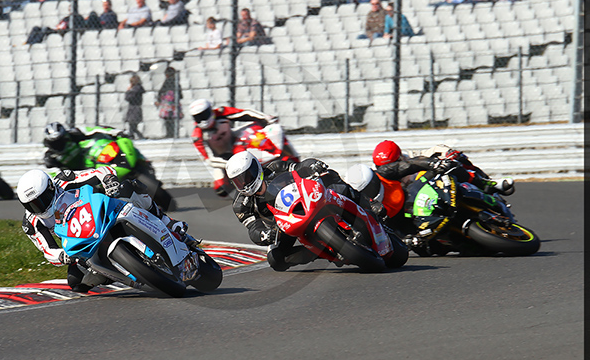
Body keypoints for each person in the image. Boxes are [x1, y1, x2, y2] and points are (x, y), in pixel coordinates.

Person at [17, 167, 189, 293]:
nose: (38, 207)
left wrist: (109, 181)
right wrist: (62, 256)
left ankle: (168, 222)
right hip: (82, 244)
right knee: (76, 282)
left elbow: (100, 171)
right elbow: (47, 250)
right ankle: (113, 274)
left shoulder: (64, 180)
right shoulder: (31, 223)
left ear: (51, 187)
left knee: (129, 187)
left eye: (42, 199)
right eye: (32, 205)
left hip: (103, 212)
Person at [226, 151, 385, 271]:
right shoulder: (241, 205)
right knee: (276, 260)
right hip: (284, 225)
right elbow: (253, 228)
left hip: (307, 200)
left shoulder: (275, 168)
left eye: (247, 176)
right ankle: (318, 251)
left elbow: (299, 167)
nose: (245, 183)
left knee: (333, 181)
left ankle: (369, 204)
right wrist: (265, 235)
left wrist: (312, 165)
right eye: (239, 181)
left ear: (255, 167)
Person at [189, 98, 277, 196]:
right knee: (222, 189)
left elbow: (244, 113)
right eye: (198, 117)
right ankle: (240, 184)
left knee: (257, 127)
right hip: (222, 160)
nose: (202, 119)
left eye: (204, 115)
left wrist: (265, 117)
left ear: (210, 110)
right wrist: (230, 164)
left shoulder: (221, 113)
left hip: (237, 144)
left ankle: (269, 157)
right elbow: (210, 159)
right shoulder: (197, 136)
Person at [371, 140, 515, 195]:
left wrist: (447, 153)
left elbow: (430, 152)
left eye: (393, 164)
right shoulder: (374, 176)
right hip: (408, 205)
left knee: (455, 162)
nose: (390, 169)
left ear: (400, 157)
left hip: (432, 188)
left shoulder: (409, 158)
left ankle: (487, 182)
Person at [42, 122, 127, 170]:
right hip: (74, 174)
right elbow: (53, 171)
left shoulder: (72, 134)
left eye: (61, 139)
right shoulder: (48, 155)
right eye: (55, 142)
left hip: (87, 161)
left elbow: (95, 129)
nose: (59, 143)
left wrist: (115, 132)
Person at [155, 67, 183, 138]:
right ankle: (173, 134)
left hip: (167, 105)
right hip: (174, 104)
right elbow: (180, 95)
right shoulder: (176, 82)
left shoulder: (167, 82)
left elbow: (161, 92)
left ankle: (169, 134)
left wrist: (159, 100)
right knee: (173, 120)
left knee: (168, 120)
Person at [124, 74, 145, 140]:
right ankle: (134, 136)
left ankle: (136, 137)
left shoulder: (135, 89)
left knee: (132, 126)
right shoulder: (138, 89)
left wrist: (128, 91)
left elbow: (128, 98)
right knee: (132, 126)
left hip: (134, 109)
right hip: (135, 108)